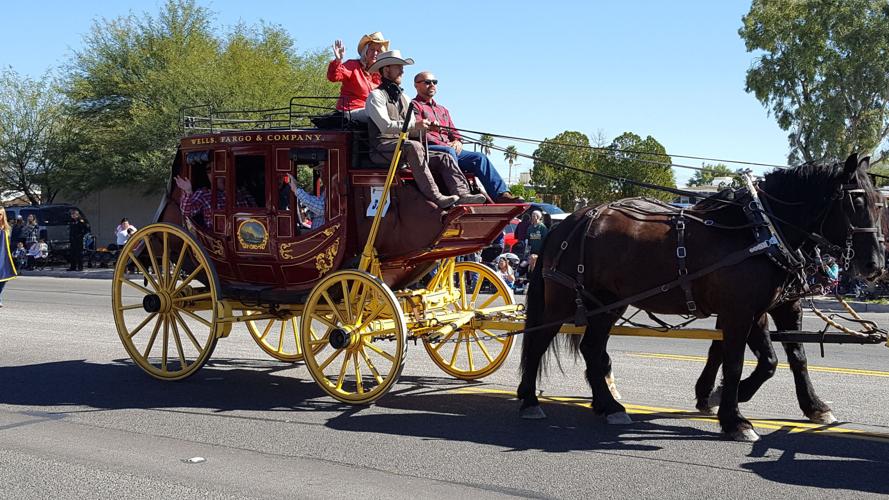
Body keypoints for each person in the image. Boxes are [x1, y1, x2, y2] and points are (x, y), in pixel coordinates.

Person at [365, 50, 485, 208]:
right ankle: (435, 196)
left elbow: (413, 130)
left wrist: (427, 128)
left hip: (403, 148)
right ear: (386, 70)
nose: (402, 71)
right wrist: (416, 125)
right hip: (382, 148)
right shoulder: (376, 96)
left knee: (444, 156)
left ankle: (463, 194)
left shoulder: (405, 98)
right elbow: (385, 127)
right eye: (398, 67)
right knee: (414, 146)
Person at [412, 71, 523, 204]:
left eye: (434, 82)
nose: (432, 85)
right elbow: (417, 130)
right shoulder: (414, 106)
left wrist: (458, 141)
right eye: (427, 82)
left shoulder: (443, 110)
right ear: (416, 85)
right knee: (449, 152)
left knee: (479, 158)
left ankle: (501, 195)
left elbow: (455, 133)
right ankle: (460, 193)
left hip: (451, 149)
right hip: (429, 151)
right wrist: (445, 142)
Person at [327, 32, 388, 122]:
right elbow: (333, 76)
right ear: (365, 51)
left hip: (370, 110)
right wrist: (338, 60)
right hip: (350, 111)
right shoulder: (353, 66)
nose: (375, 53)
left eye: (378, 51)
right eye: (372, 49)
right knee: (375, 113)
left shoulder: (380, 75)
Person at [175, 161, 257, 228]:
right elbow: (187, 212)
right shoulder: (203, 193)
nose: (220, 178)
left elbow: (255, 209)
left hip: (248, 230)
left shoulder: (240, 191)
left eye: (222, 174)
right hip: (221, 237)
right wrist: (188, 191)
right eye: (209, 172)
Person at [0, 207, 19, 306]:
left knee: (4, 277)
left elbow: (10, 243)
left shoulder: (7, 229)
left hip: (4, 256)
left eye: (0, 215)